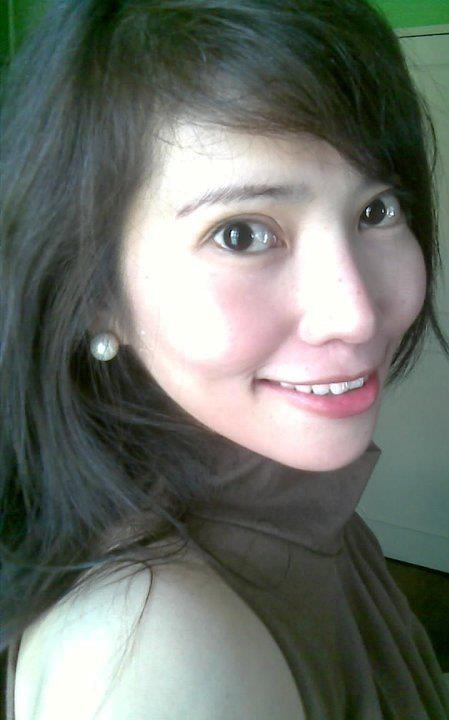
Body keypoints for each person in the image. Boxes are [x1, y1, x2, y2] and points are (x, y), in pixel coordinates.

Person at [1, 0, 449, 718]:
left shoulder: (293, 499)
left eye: (376, 211)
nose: (357, 313)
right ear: (95, 294)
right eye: (241, 234)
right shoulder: (159, 654)